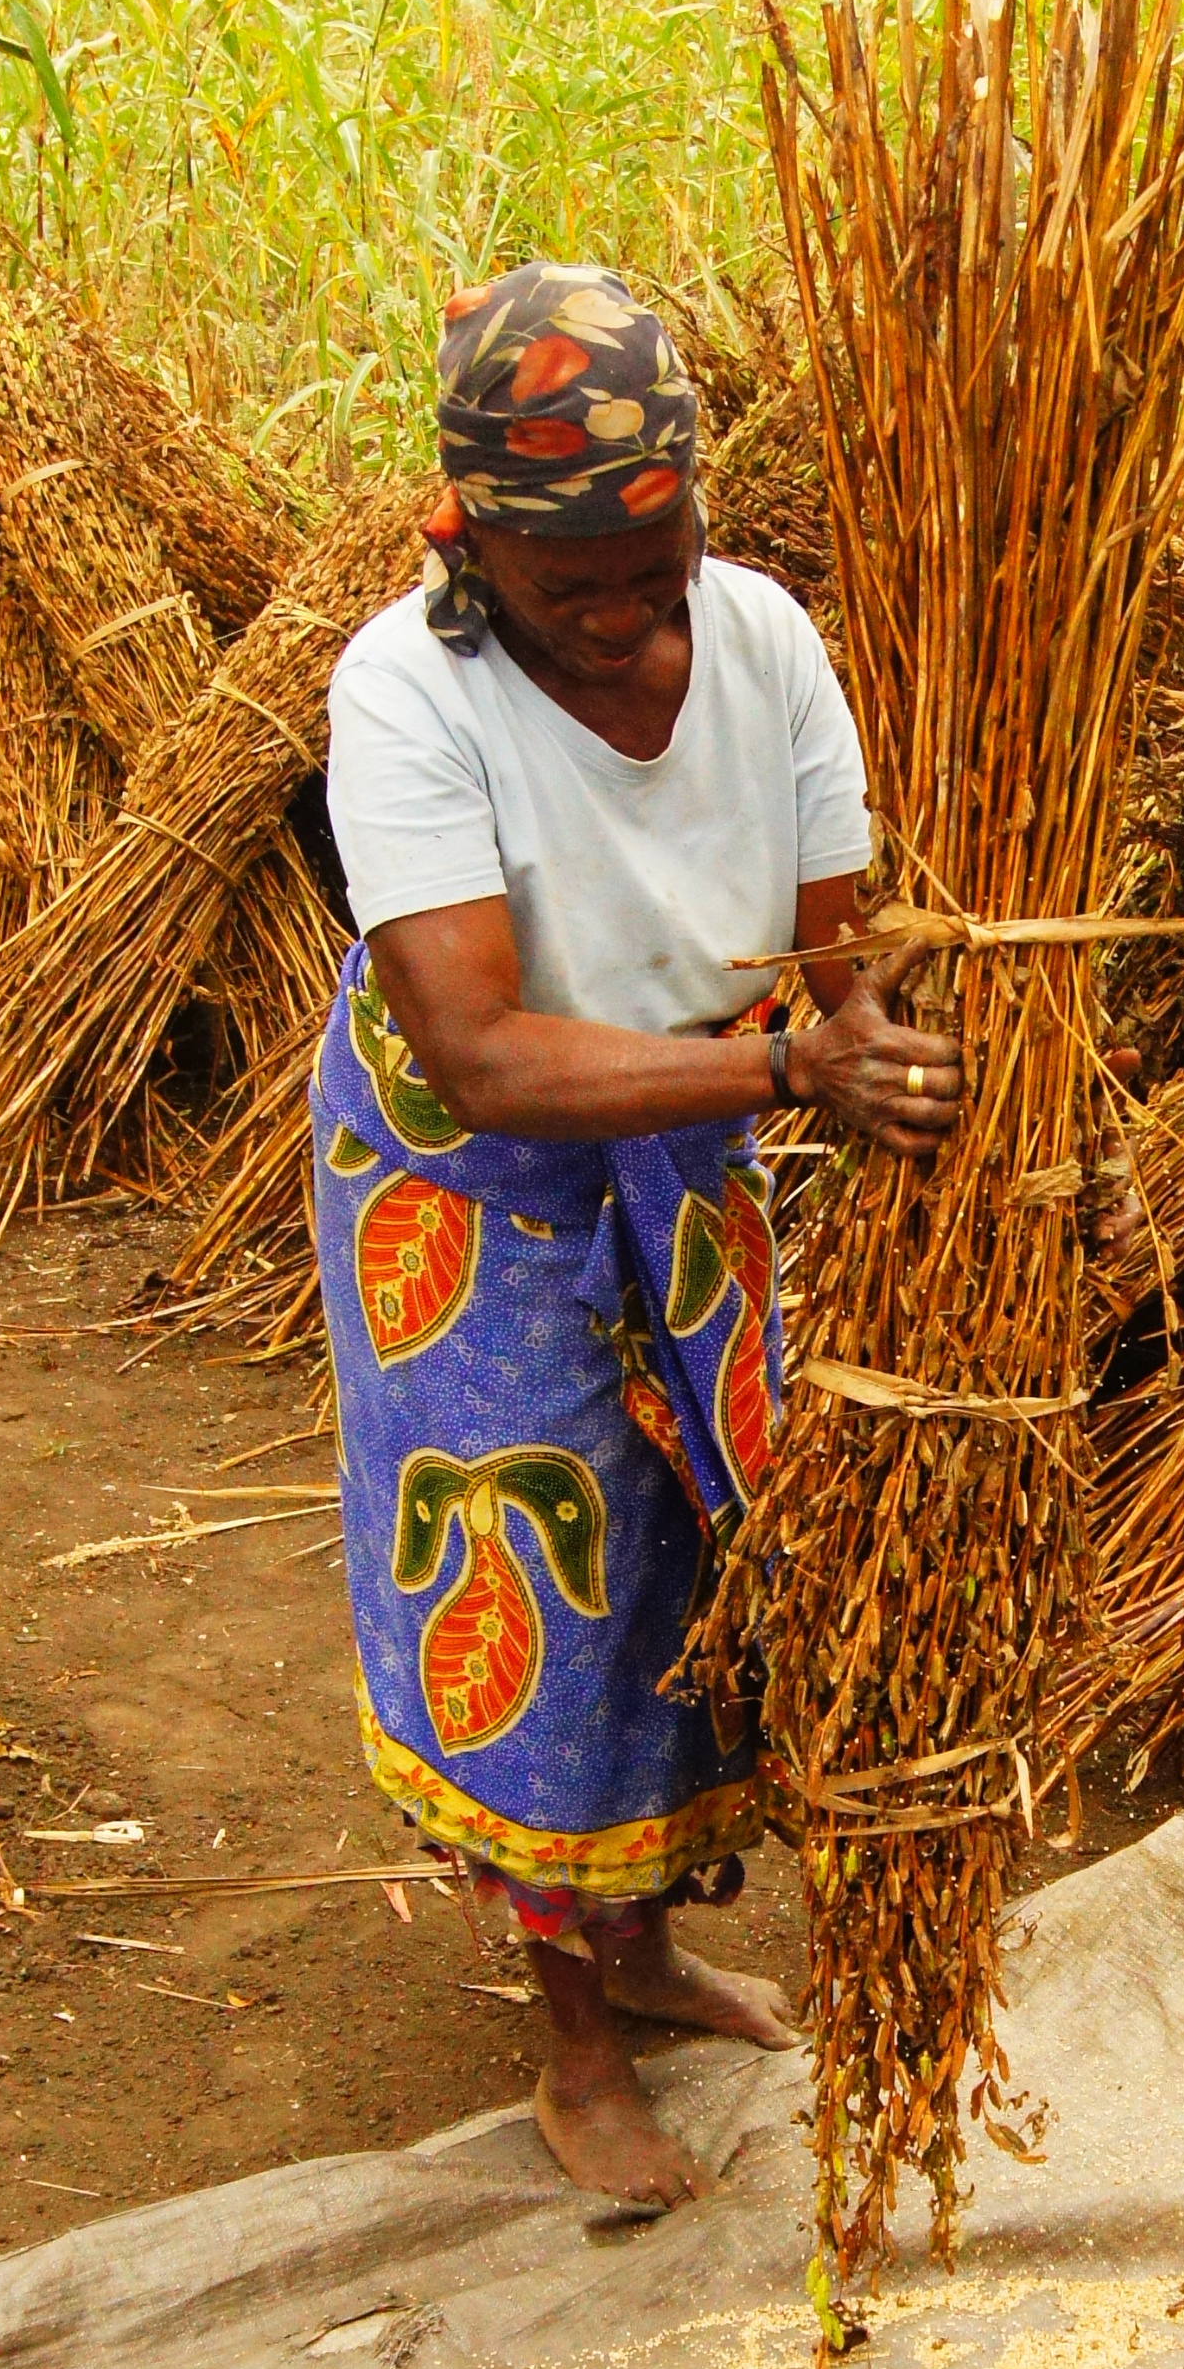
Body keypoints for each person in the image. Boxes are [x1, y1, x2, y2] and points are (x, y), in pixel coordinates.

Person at [313, 260, 961, 2215]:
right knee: (543, 1563)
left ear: (695, 512)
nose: (620, 616)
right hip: (469, 1179)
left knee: (703, 1544)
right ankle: (569, 2035)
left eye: (650, 563)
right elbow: (487, 1048)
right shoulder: (405, 692)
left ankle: (652, 1945)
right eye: (568, 581)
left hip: (689, 1122)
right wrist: (788, 1078)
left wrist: (881, 1057)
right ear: (472, 540)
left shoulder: (762, 639)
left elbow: (831, 963)